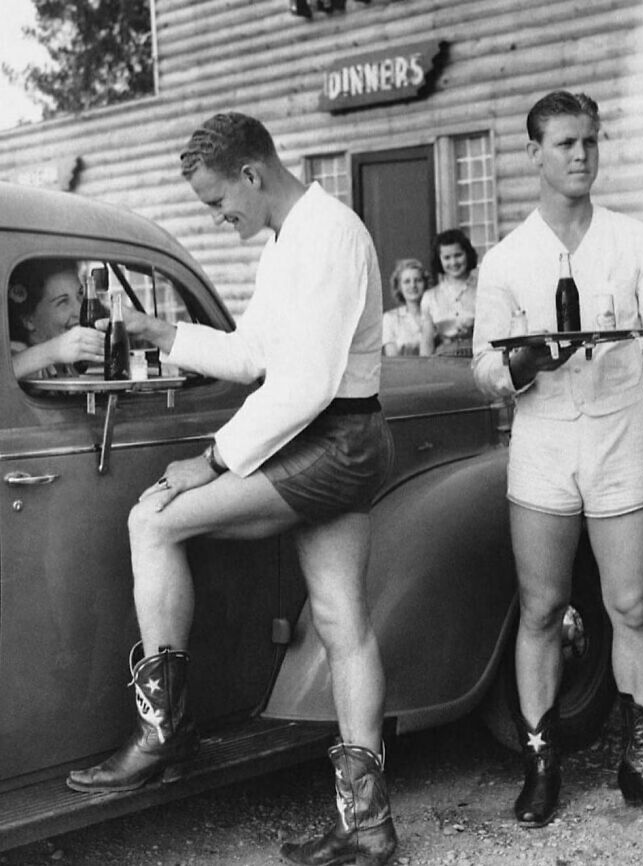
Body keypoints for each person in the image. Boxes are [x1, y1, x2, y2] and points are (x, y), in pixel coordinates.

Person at [66, 112, 398, 866]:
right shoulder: (289, 242)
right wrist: (161, 334)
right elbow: (254, 356)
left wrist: (210, 461)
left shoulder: (330, 235)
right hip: (336, 438)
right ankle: (368, 826)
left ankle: (163, 734)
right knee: (344, 620)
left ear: (253, 173)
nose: (220, 216)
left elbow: (306, 384)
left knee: (155, 521)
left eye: (221, 202)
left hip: (335, 439)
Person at [472, 91, 643, 828]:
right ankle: (541, 766)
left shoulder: (637, 242)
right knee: (541, 610)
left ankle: (641, 764)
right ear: (534, 153)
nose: (580, 155)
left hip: (622, 442)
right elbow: (484, 367)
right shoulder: (506, 259)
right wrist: (523, 364)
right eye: (565, 143)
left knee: (631, 607)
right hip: (543, 449)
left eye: (590, 142)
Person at [8, 258, 104, 380]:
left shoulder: (66, 362)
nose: (80, 309)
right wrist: (54, 350)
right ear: (29, 320)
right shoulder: (17, 351)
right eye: (63, 302)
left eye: (80, 294)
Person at [421, 228, 479, 356]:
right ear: (439, 260)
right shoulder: (430, 297)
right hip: (443, 362)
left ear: (467, 254)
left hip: (479, 356)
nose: (453, 262)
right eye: (447, 257)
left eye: (458, 255)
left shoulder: (483, 289)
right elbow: (427, 342)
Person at [382, 257, 433, 356]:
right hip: (403, 370)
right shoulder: (390, 318)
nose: (413, 285)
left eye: (418, 280)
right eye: (407, 281)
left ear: (425, 283)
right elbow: (392, 359)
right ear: (399, 287)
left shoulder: (434, 313)